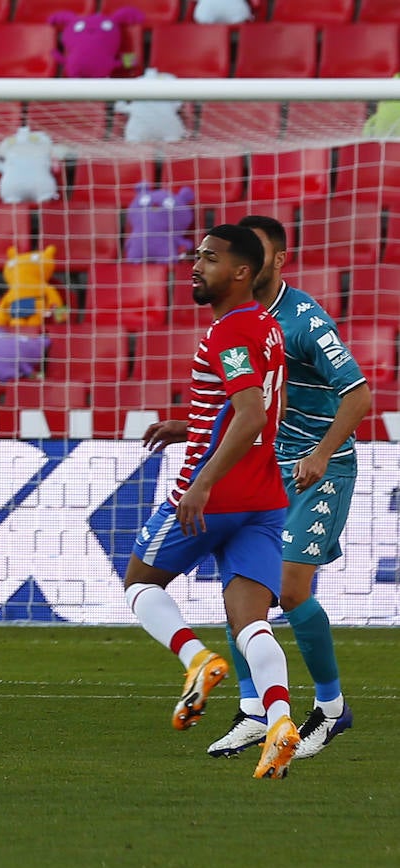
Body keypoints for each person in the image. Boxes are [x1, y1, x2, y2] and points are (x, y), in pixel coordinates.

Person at [198, 215, 372, 760]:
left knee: (291, 589)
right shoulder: (240, 320)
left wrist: (321, 453)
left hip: (320, 466)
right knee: (241, 590)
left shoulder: (304, 321)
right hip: (266, 464)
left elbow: (359, 394)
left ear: (275, 262)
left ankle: (331, 707)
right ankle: (254, 710)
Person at [129, 223, 299, 780]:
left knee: (140, 584)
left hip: (216, 492)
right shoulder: (266, 326)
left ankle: (197, 659)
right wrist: (194, 425)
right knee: (252, 623)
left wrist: (202, 481)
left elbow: (249, 413)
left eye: (210, 258)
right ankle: (279, 723)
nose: (196, 266)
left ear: (242, 272)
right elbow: (252, 404)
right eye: (197, 256)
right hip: (264, 495)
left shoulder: (227, 332)